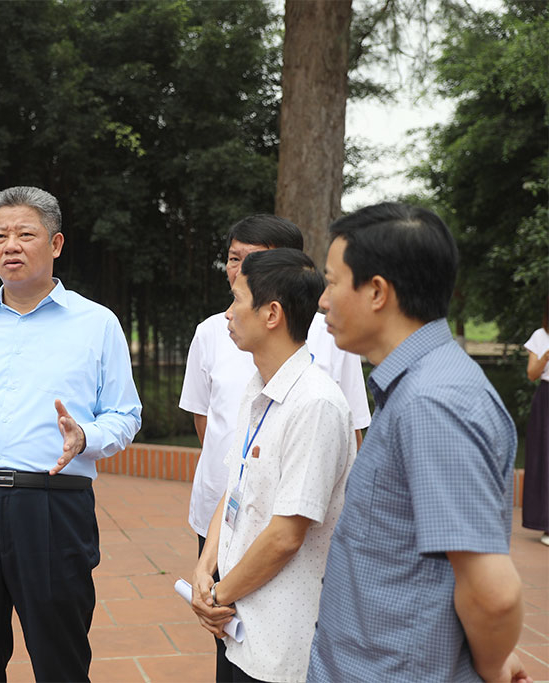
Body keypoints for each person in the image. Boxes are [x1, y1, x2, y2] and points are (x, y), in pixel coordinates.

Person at [0, 186, 142, 681]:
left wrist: (85, 437)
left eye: (24, 234)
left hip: (52, 508)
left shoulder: (96, 324)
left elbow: (126, 414)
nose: (10, 245)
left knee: (60, 659)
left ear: (55, 244)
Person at [308, 202, 530, 683]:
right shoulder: (417, 387)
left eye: (331, 281)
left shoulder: (433, 403)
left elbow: (494, 593)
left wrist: (491, 665)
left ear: (377, 291)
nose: (322, 301)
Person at [178, 215, 369, 677]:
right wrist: (208, 571)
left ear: (272, 314)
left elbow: (286, 536)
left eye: (239, 300)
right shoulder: (259, 389)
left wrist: (217, 597)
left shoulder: (316, 404)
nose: (227, 312)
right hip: (238, 616)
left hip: (281, 635)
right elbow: (233, 482)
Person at [522, 296, 549, 546]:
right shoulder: (540, 336)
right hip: (547, 398)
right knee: (545, 458)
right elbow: (531, 374)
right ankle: (546, 524)